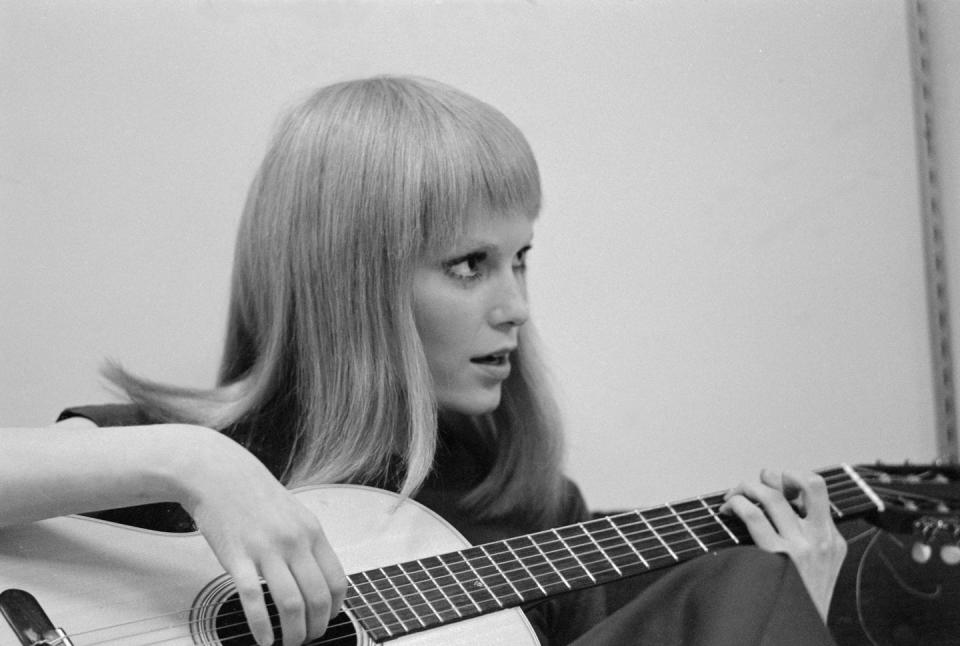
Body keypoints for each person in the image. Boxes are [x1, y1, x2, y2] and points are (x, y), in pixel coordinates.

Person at [0, 76, 847, 646]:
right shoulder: (174, 459)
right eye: (469, 264)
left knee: (745, 584)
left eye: (521, 258)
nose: (516, 304)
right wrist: (195, 463)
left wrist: (788, 598)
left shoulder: (533, 513)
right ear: (349, 282)